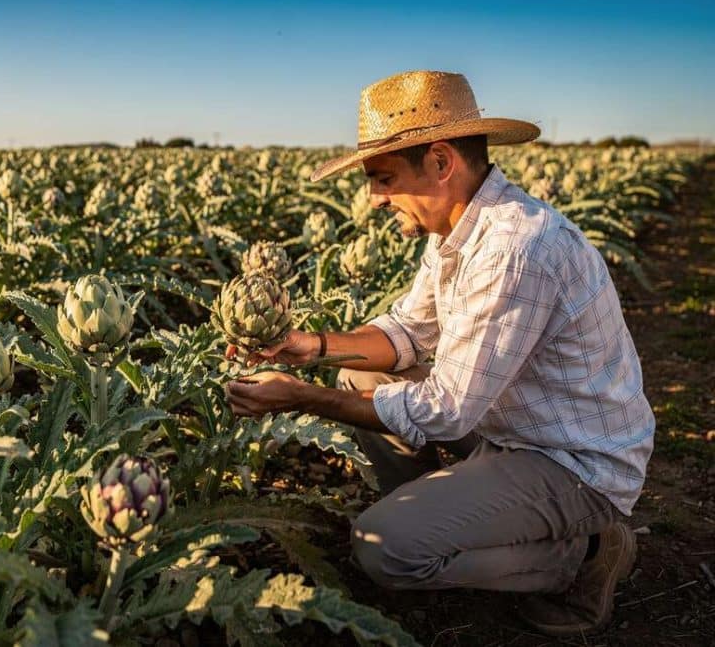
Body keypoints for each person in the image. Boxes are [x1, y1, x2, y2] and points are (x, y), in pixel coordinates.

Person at [223, 70, 654, 636]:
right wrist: (311, 347)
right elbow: (407, 332)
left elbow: (446, 410)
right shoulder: (456, 230)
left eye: (383, 179)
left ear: (441, 161)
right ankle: (453, 517)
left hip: (574, 461)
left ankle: (586, 554)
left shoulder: (514, 249)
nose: (374, 199)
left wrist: (301, 398)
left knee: (383, 549)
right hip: (514, 425)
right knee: (358, 375)